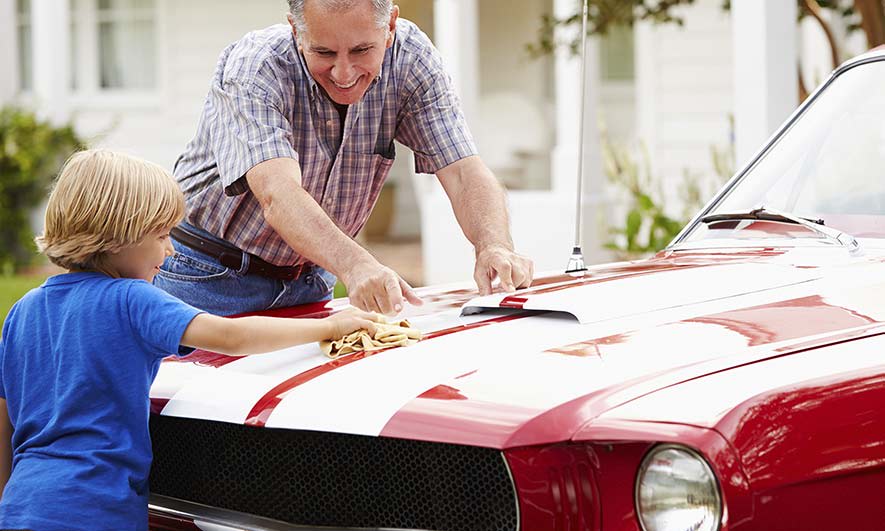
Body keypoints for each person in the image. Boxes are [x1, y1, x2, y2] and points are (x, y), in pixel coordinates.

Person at [0, 150, 378, 530]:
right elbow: (231, 336)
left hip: (21, 504)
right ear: (118, 238)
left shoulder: (21, 311)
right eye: (162, 235)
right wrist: (331, 326)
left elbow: (5, 421)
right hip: (96, 509)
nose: (170, 250)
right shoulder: (131, 299)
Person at [156, 0, 534, 317]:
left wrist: (493, 245)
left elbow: (464, 171)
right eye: (323, 52)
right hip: (205, 275)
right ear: (296, 30)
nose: (343, 73)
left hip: (310, 279)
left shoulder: (412, 59)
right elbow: (277, 194)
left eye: (360, 51)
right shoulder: (255, 67)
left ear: (390, 26)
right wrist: (357, 265)